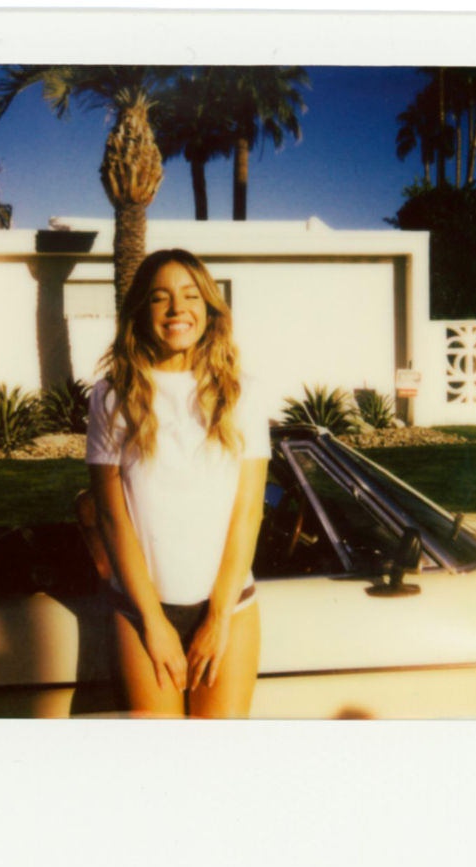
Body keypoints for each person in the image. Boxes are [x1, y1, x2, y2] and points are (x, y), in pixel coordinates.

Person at [86, 249, 270, 718]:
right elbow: (111, 515)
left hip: (230, 607)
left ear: (209, 308)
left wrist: (217, 618)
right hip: (141, 611)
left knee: (218, 764)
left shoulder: (241, 393)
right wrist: (154, 622)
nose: (176, 309)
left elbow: (248, 512)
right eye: (159, 298)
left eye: (190, 295)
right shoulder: (112, 396)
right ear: (140, 311)